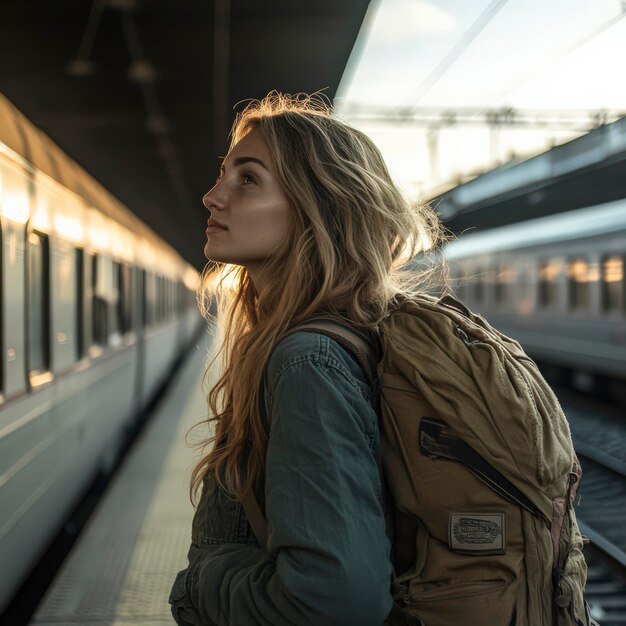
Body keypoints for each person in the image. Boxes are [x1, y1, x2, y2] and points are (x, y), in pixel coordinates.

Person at [168, 91, 445, 626]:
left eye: (246, 179)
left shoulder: (308, 361)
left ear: (317, 205)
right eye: (224, 175)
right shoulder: (333, 339)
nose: (211, 196)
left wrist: (203, 581)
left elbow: (333, 603)